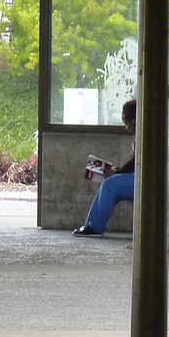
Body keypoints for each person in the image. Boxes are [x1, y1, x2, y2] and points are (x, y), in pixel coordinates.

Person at [73, 99, 136, 237]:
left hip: (143, 179)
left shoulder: (144, 135)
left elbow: (135, 162)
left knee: (109, 185)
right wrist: (116, 171)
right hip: (140, 176)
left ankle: (94, 227)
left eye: (127, 123)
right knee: (110, 183)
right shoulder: (142, 135)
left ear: (135, 120)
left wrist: (116, 172)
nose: (127, 128)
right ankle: (92, 224)